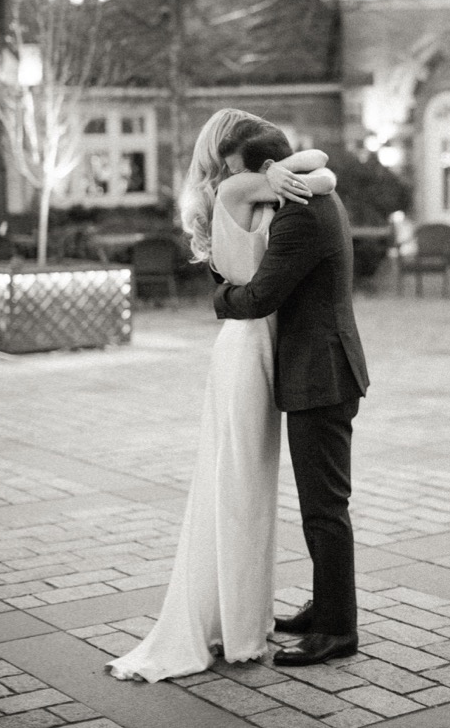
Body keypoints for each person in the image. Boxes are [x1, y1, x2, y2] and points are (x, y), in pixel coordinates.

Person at [108, 109, 336, 683]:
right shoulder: (237, 190)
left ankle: (245, 616)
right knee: (236, 485)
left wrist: (279, 175)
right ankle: (234, 626)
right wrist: (274, 176)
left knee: (245, 484)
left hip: (255, 349)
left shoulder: (262, 190)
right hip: (245, 348)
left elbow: (320, 171)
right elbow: (317, 173)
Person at [214, 118, 370, 668]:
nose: (234, 184)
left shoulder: (300, 215)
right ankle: (324, 606)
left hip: (319, 374)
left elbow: (259, 297)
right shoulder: (309, 200)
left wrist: (221, 296)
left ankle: (337, 630)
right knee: (320, 507)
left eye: (236, 174)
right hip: (321, 368)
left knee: (325, 509)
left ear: (265, 171)